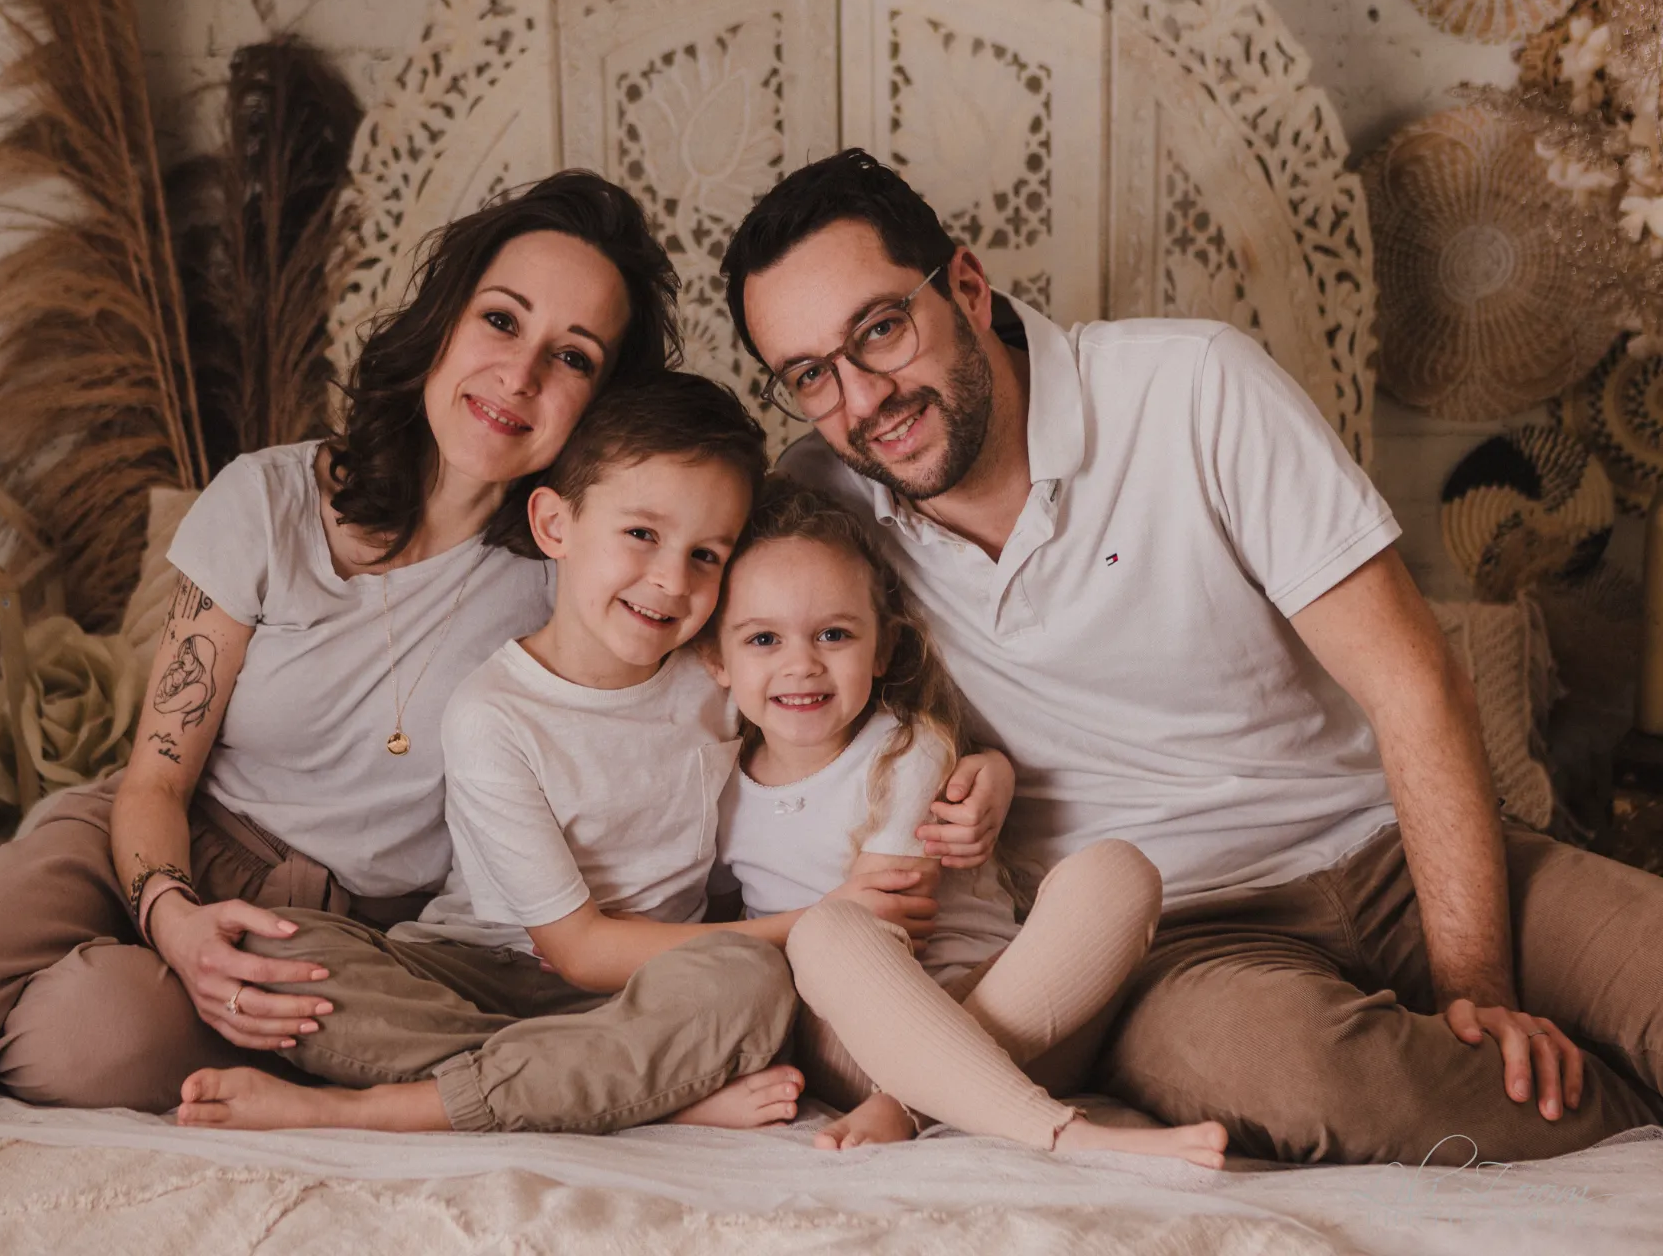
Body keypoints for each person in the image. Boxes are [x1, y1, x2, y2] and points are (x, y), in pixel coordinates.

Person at [717, 148, 1663, 1165]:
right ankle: (1626, 1122)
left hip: (1391, 846)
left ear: (967, 286)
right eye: (812, 375)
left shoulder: (1190, 386)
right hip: (1169, 936)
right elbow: (649, 573)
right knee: (1318, 1073)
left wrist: (1479, 987)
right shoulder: (826, 506)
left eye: (882, 330)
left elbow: (1414, 680)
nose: (863, 397)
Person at [0, 171, 702, 1147]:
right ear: (444, 318)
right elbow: (155, 776)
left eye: (573, 357)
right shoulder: (268, 499)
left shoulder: (573, 575)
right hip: (149, 840)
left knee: (88, 1038)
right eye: (502, 319)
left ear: (600, 402)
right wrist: (173, 922)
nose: (522, 374)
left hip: (338, 934)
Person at [173, 373, 1003, 1134]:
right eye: (641, 533)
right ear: (555, 524)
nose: (671, 581)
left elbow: (873, 733)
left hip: (656, 992)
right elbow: (573, 948)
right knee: (277, 952)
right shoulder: (493, 715)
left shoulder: (719, 674)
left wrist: (987, 773)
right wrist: (815, 924)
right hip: (480, 972)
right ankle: (636, 1091)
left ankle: (389, 1110)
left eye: (706, 556)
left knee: (747, 988)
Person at [705, 477, 1226, 1167]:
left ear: (883, 649)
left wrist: (995, 767)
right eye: (764, 638)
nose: (802, 663)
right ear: (716, 660)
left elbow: (899, 907)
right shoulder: (716, 789)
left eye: (835, 634)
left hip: (1029, 1015)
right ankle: (1065, 1135)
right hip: (858, 1041)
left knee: (1118, 871)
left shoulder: (908, 750)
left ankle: (912, 1103)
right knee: (827, 932)